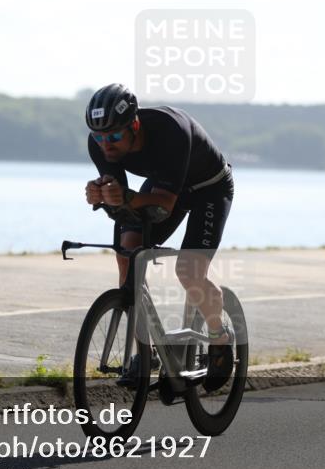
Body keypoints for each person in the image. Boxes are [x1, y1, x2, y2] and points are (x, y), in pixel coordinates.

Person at [83, 83, 235, 391]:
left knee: (189, 272)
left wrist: (124, 196)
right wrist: (103, 194)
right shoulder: (99, 144)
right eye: (99, 137)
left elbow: (165, 204)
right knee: (128, 252)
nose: (106, 144)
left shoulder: (170, 132)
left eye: (113, 136)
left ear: (134, 124)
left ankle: (220, 338)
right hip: (168, 183)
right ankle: (147, 349)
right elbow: (120, 196)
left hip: (209, 187)